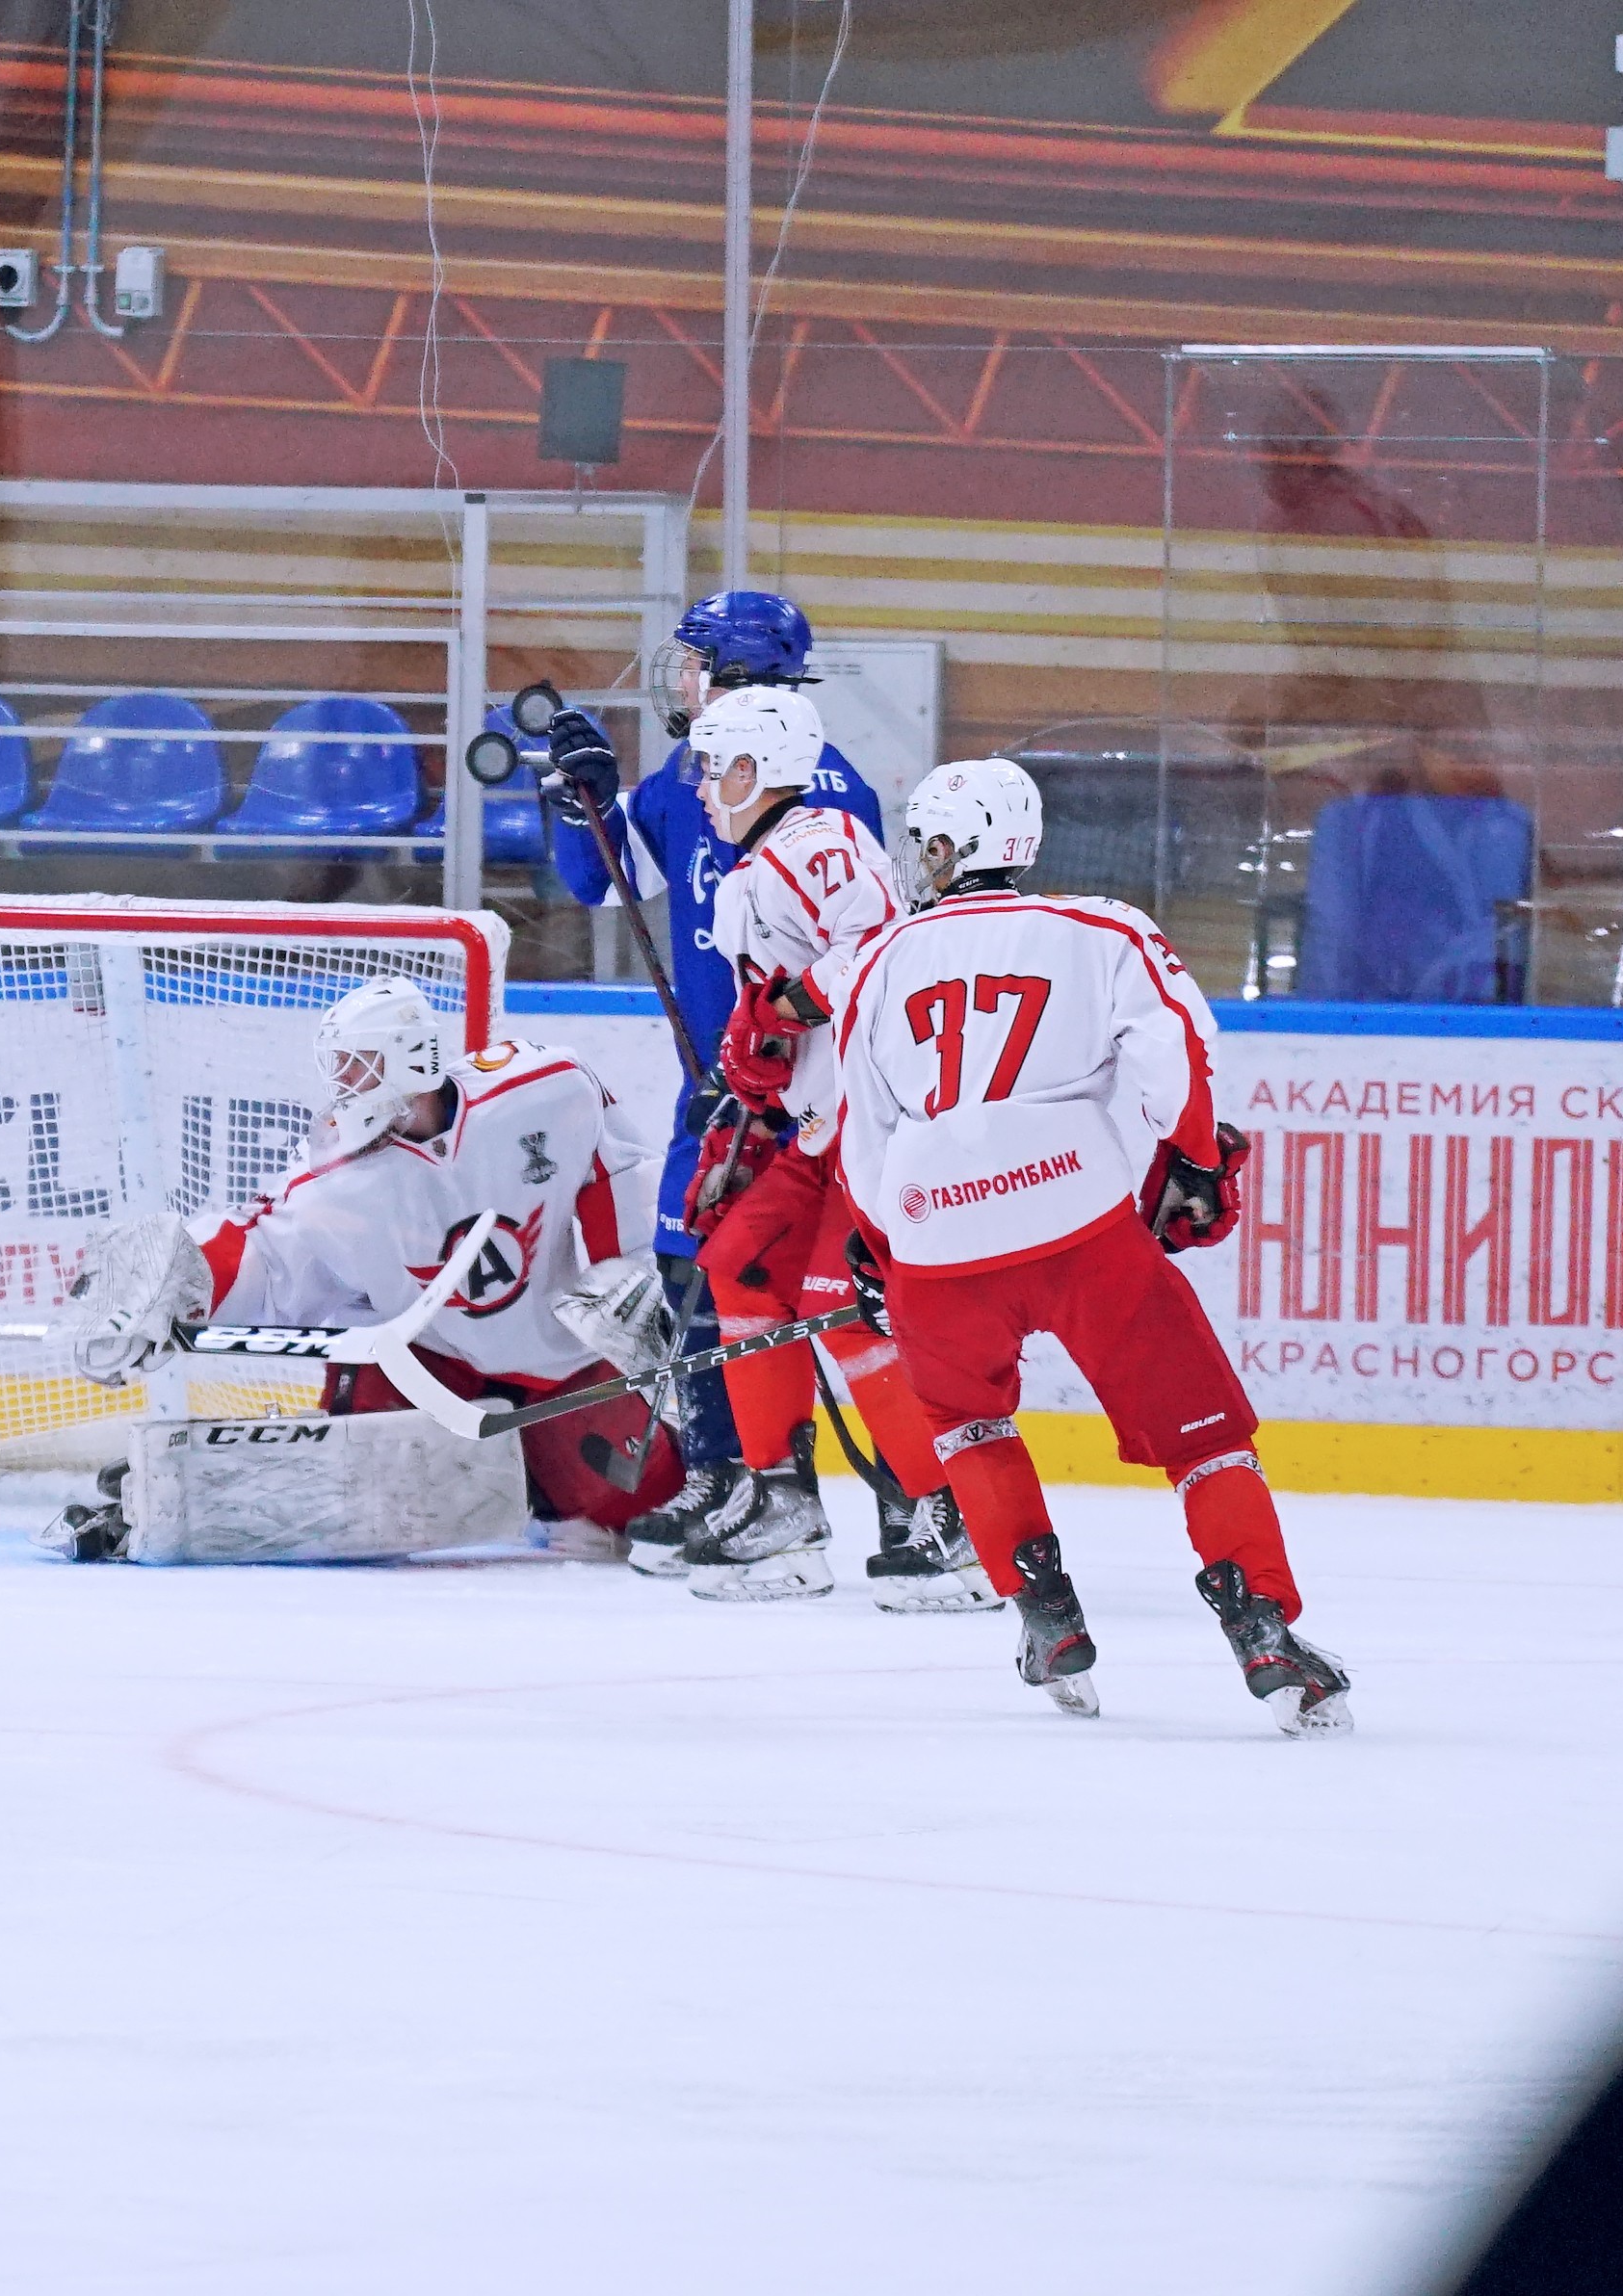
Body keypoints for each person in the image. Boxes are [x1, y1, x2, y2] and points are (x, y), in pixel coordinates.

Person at [833, 757, 1351, 1734]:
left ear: (970, 846)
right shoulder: (1103, 926)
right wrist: (1194, 1159)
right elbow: (1175, 1054)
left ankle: (1044, 1613)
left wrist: (879, 1247)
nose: (922, 859)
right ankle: (1261, 1625)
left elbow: (860, 1130)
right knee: (1202, 1433)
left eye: (932, 841)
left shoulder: (879, 958)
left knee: (966, 1422)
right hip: (1075, 1215)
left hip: (935, 1229)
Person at [540, 589, 923, 1580]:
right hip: (716, 1081)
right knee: (701, 1261)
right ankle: (733, 1479)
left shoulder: (821, 790)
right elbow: (600, 878)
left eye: (695, 660)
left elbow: (863, 950)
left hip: (808, 1097)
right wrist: (579, 797)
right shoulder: (685, 776)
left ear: (741, 674)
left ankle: (913, 1497)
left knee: (837, 1290)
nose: (678, 678)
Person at [49, 977, 686, 1552]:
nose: (343, 1085)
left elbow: (620, 1165)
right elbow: (267, 1253)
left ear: (413, 1057)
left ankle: (542, 1481)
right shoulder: (336, 1178)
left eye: (358, 1065)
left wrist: (622, 1273)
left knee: (638, 1510)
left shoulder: (540, 1090)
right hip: (425, 1361)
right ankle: (203, 1493)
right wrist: (183, 1280)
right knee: (367, 1497)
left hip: (565, 1357)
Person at [667, 686, 988, 1606]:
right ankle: (782, 1507)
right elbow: (780, 1015)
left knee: (834, 1305)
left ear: (756, 769)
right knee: (737, 1263)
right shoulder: (761, 865)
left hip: (879, 1126)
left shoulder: (822, 843)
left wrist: (789, 1006)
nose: (700, 787)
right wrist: (750, 1092)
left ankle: (949, 1512)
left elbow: (889, 951)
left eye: (711, 767)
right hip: (818, 1128)